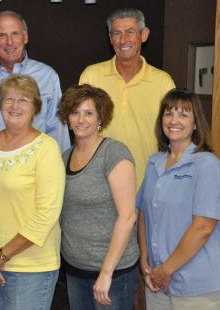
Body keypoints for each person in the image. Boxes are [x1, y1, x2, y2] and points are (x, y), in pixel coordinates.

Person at [0, 74, 65, 310]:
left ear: (35, 108)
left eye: (23, 100)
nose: (14, 105)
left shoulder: (46, 148)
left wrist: (0, 256)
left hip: (31, 268)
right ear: (0, 104)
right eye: (8, 99)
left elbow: (46, 215)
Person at [137, 89, 220, 309]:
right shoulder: (154, 163)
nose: (174, 120)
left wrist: (166, 269)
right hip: (158, 285)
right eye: (168, 113)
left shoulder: (207, 165)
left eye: (183, 114)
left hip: (200, 287)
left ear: (195, 124)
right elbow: (143, 214)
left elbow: (203, 228)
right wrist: (146, 262)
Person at [58, 84, 139, 310]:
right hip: (75, 270)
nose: (81, 120)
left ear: (101, 117)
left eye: (88, 113)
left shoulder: (113, 153)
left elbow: (127, 216)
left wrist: (106, 273)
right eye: (75, 113)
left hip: (112, 274)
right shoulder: (65, 157)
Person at [79, 8, 175, 188]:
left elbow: (175, 137)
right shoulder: (91, 76)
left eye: (130, 32)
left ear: (144, 35)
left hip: (148, 185)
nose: (123, 40)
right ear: (110, 38)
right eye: (117, 33)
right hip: (100, 186)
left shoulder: (163, 82)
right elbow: (80, 131)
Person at [0, 10, 70, 152]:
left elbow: (58, 133)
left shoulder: (48, 76)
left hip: (35, 168)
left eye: (15, 34)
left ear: (25, 37)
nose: (9, 42)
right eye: (2, 35)